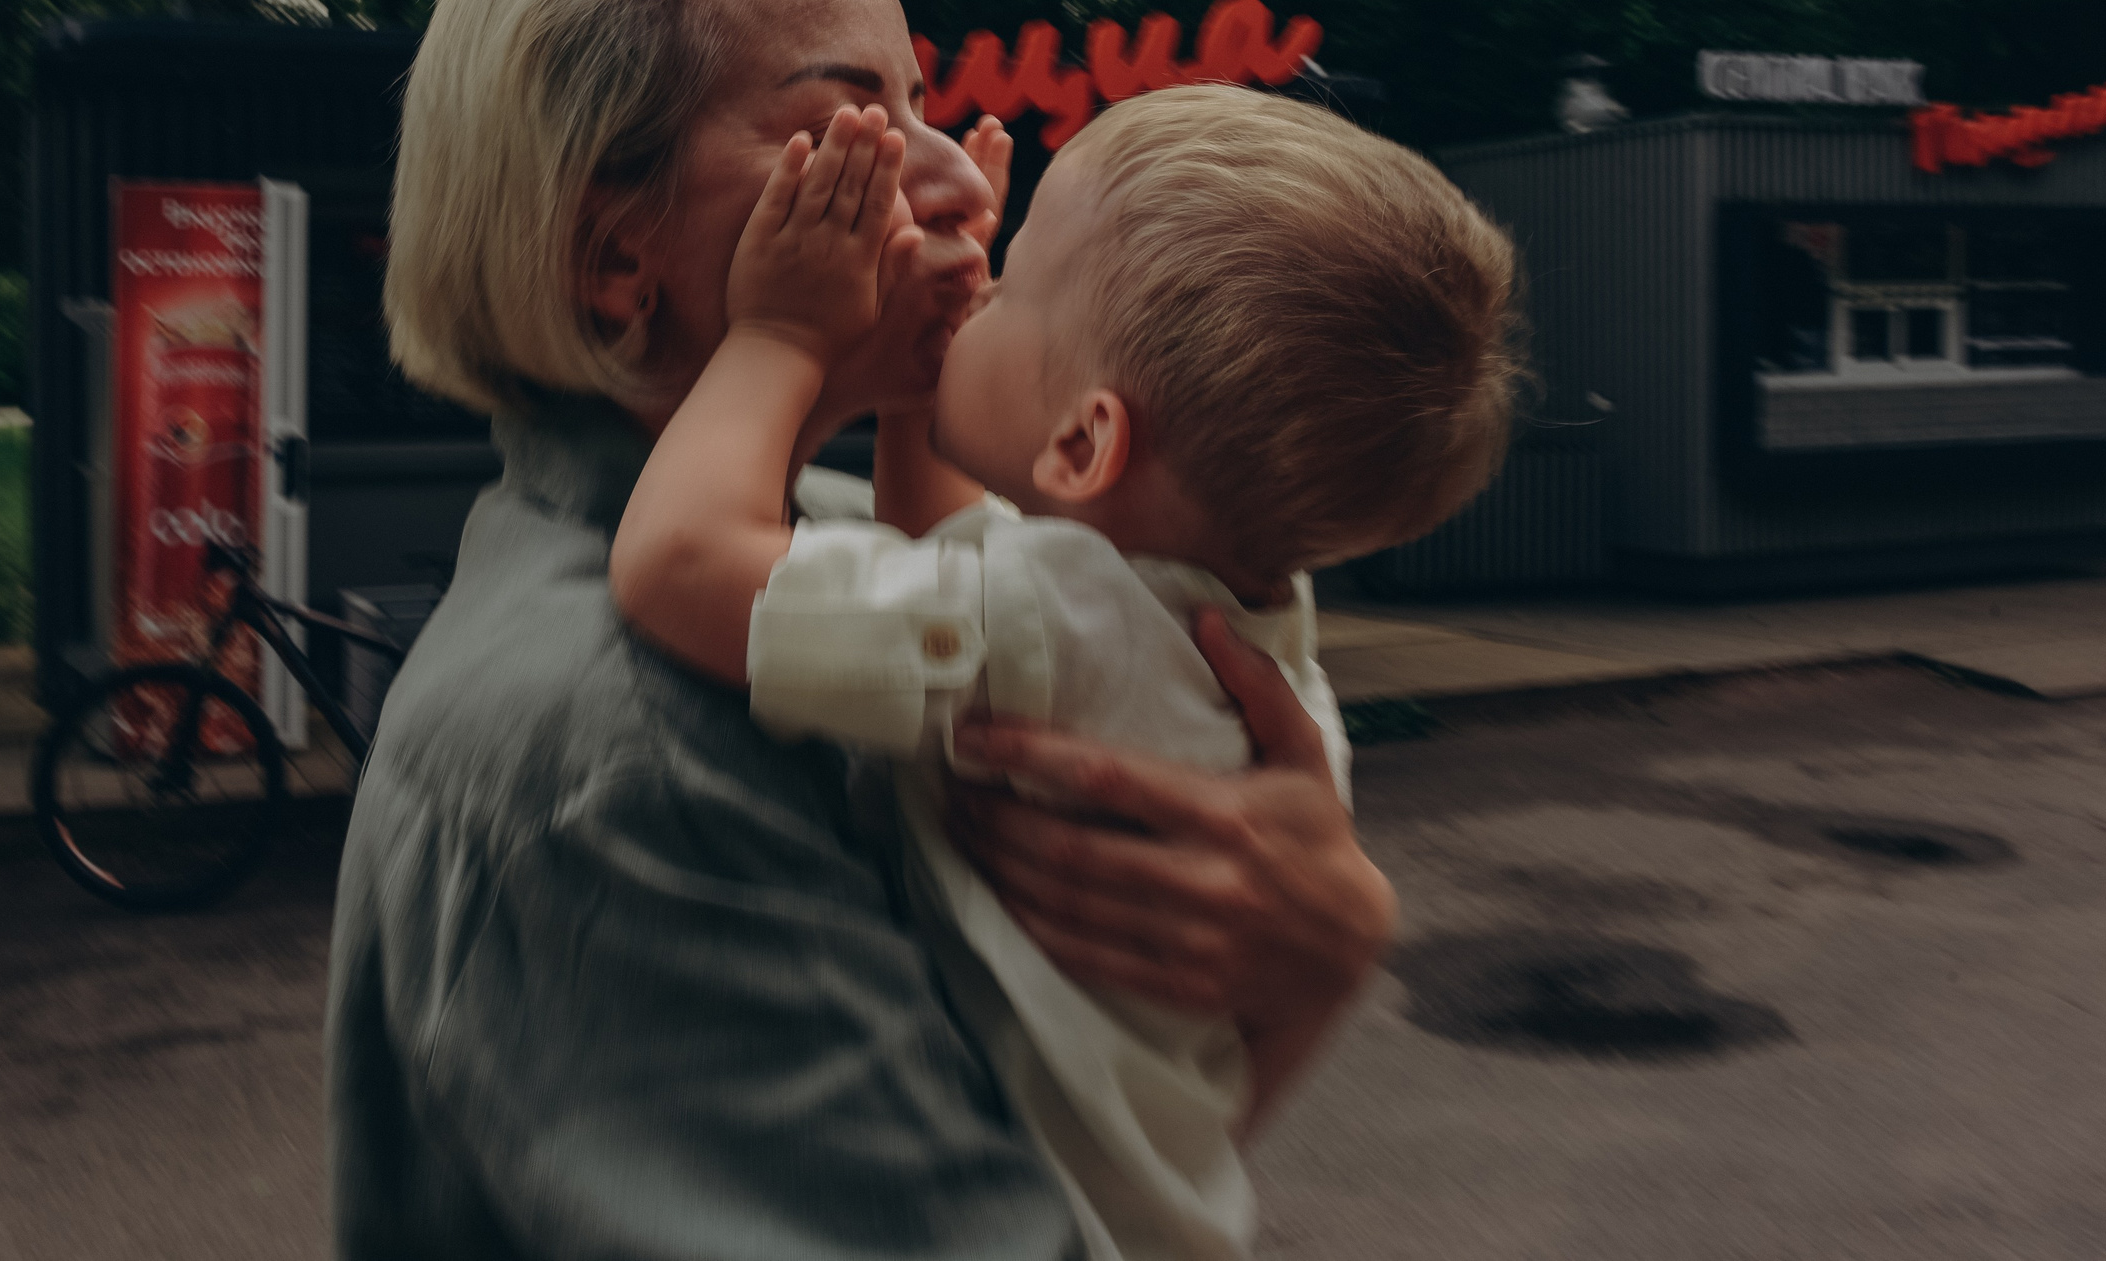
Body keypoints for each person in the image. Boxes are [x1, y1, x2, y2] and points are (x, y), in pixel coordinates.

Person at [330, 0, 1401, 1260]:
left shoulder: (809, 546)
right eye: (855, 126)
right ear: (614, 256)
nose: (962, 178)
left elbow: (1076, 1114)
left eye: (928, 108)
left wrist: (1313, 949)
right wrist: (1319, 978)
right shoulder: (631, 744)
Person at [607, 91, 1520, 1259]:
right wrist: (921, 391)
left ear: (1084, 444)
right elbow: (956, 551)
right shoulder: (1229, 625)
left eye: (1012, 283)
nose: (972, 285)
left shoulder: (1040, 624)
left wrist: (778, 333)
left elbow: (679, 565)